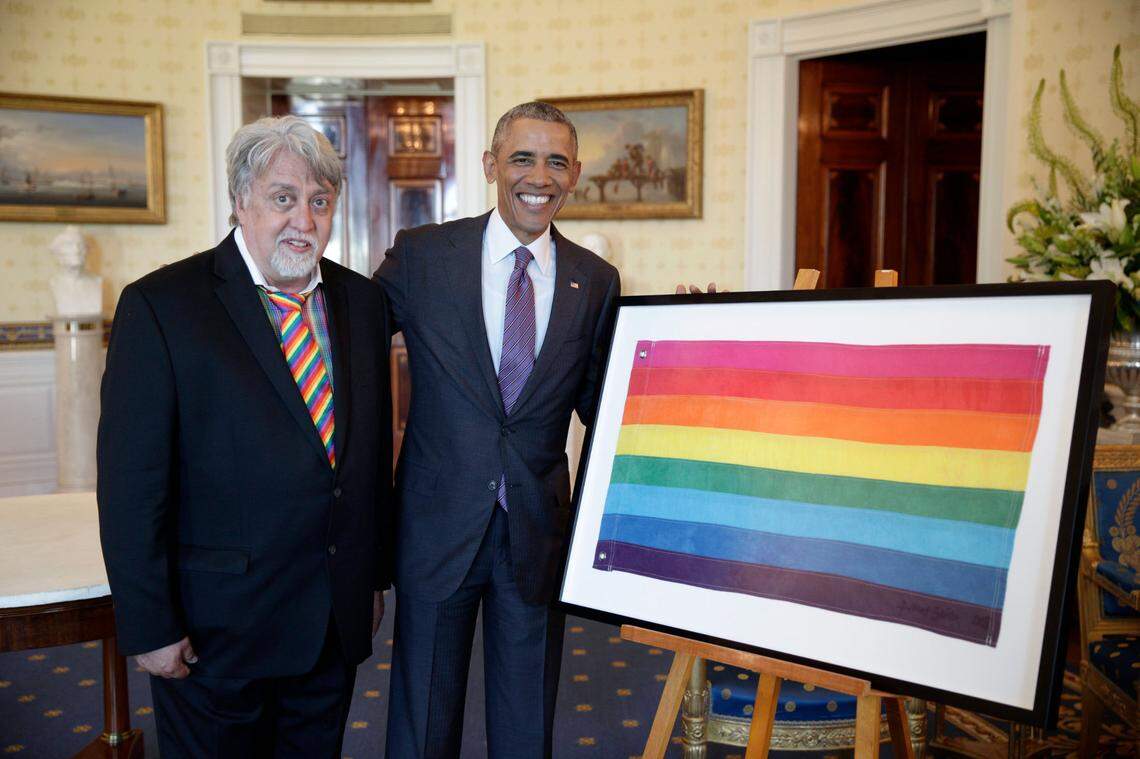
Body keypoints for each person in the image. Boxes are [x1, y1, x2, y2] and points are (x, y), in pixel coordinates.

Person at [97, 115, 393, 758]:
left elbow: (366, 459)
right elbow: (130, 483)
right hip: (214, 635)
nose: (304, 221)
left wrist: (370, 580)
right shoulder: (162, 305)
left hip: (328, 626)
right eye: (283, 198)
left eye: (320, 201)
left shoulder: (363, 304)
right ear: (240, 201)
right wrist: (150, 623)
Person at [375, 101, 621, 758]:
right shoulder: (423, 256)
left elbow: (604, 405)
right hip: (437, 529)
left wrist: (687, 361)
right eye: (522, 157)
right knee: (423, 723)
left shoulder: (595, 282)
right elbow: (350, 342)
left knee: (524, 727)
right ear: (490, 165)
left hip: (534, 534)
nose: (538, 175)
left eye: (556, 161)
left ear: (573, 175)